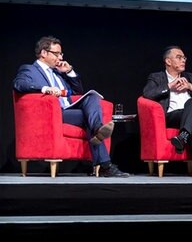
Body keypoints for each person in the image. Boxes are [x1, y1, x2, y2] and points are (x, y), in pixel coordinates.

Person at [13, 35, 129, 177]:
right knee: (88, 118)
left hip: (70, 110)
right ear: (44, 53)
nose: (60, 58)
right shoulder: (29, 69)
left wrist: (69, 72)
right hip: (53, 113)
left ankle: (98, 129)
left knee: (92, 97)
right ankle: (105, 165)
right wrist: (45, 88)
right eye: (56, 54)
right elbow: (19, 84)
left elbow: (77, 92)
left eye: (61, 54)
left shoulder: (58, 72)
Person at [142, 46, 192, 177]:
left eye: (184, 58)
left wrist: (190, 86)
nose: (183, 60)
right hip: (173, 115)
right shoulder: (157, 77)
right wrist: (170, 86)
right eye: (179, 57)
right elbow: (147, 94)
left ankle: (183, 136)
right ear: (168, 61)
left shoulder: (189, 77)